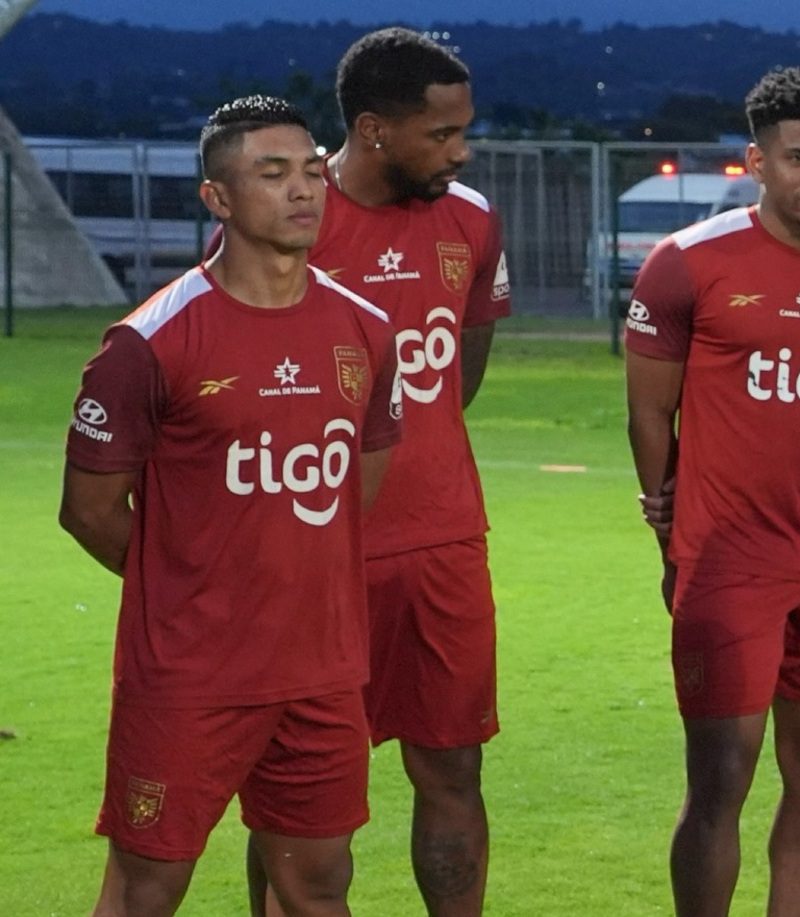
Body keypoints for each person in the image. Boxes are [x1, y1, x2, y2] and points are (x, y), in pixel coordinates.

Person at [58, 95, 400, 916]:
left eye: (312, 171)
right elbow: (91, 510)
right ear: (217, 197)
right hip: (189, 677)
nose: (303, 191)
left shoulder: (366, 330)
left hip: (321, 671)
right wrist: (187, 584)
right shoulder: (147, 343)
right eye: (272, 173)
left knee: (318, 887)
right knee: (147, 887)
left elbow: (363, 481)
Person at [625, 67, 800, 917]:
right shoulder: (688, 264)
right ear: (757, 160)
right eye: (799, 158)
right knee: (722, 777)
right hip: (729, 563)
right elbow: (648, 414)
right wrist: (668, 520)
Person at [242, 28, 511, 917]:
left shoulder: (471, 218)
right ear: (372, 128)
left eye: (463, 131)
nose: (459, 151)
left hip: (441, 545)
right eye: (440, 134)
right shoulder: (286, 216)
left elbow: (460, 371)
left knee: (454, 768)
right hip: (313, 558)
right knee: (297, 796)